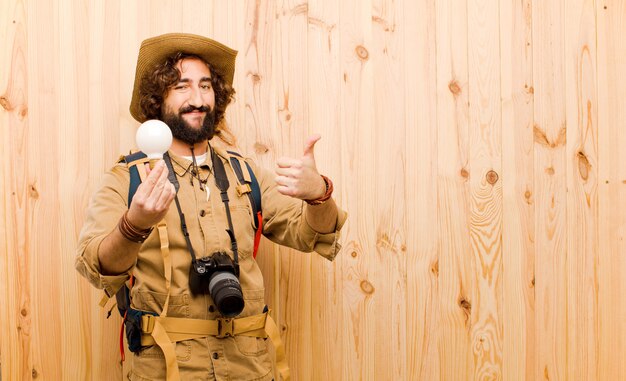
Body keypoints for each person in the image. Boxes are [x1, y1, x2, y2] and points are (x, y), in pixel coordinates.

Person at [75, 33, 347, 381]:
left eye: (206, 86)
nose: (198, 98)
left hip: (250, 368)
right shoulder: (127, 180)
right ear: (158, 100)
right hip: (167, 369)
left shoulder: (246, 175)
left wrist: (319, 194)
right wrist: (134, 225)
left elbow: (314, 235)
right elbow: (96, 266)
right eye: (182, 87)